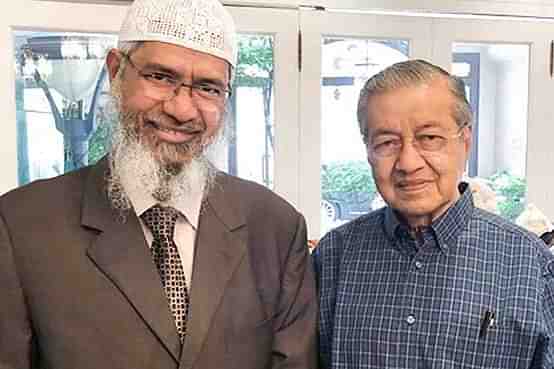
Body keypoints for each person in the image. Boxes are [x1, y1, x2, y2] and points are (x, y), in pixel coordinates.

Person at [0, 1, 318, 368]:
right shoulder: (22, 225)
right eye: (161, 77)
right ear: (116, 71)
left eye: (208, 88)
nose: (182, 110)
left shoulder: (275, 226)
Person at [312, 59, 554, 368]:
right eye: (387, 142)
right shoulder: (333, 256)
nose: (408, 163)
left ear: (465, 142)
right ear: (368, 151)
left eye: (429, 138)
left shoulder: (530, 265)